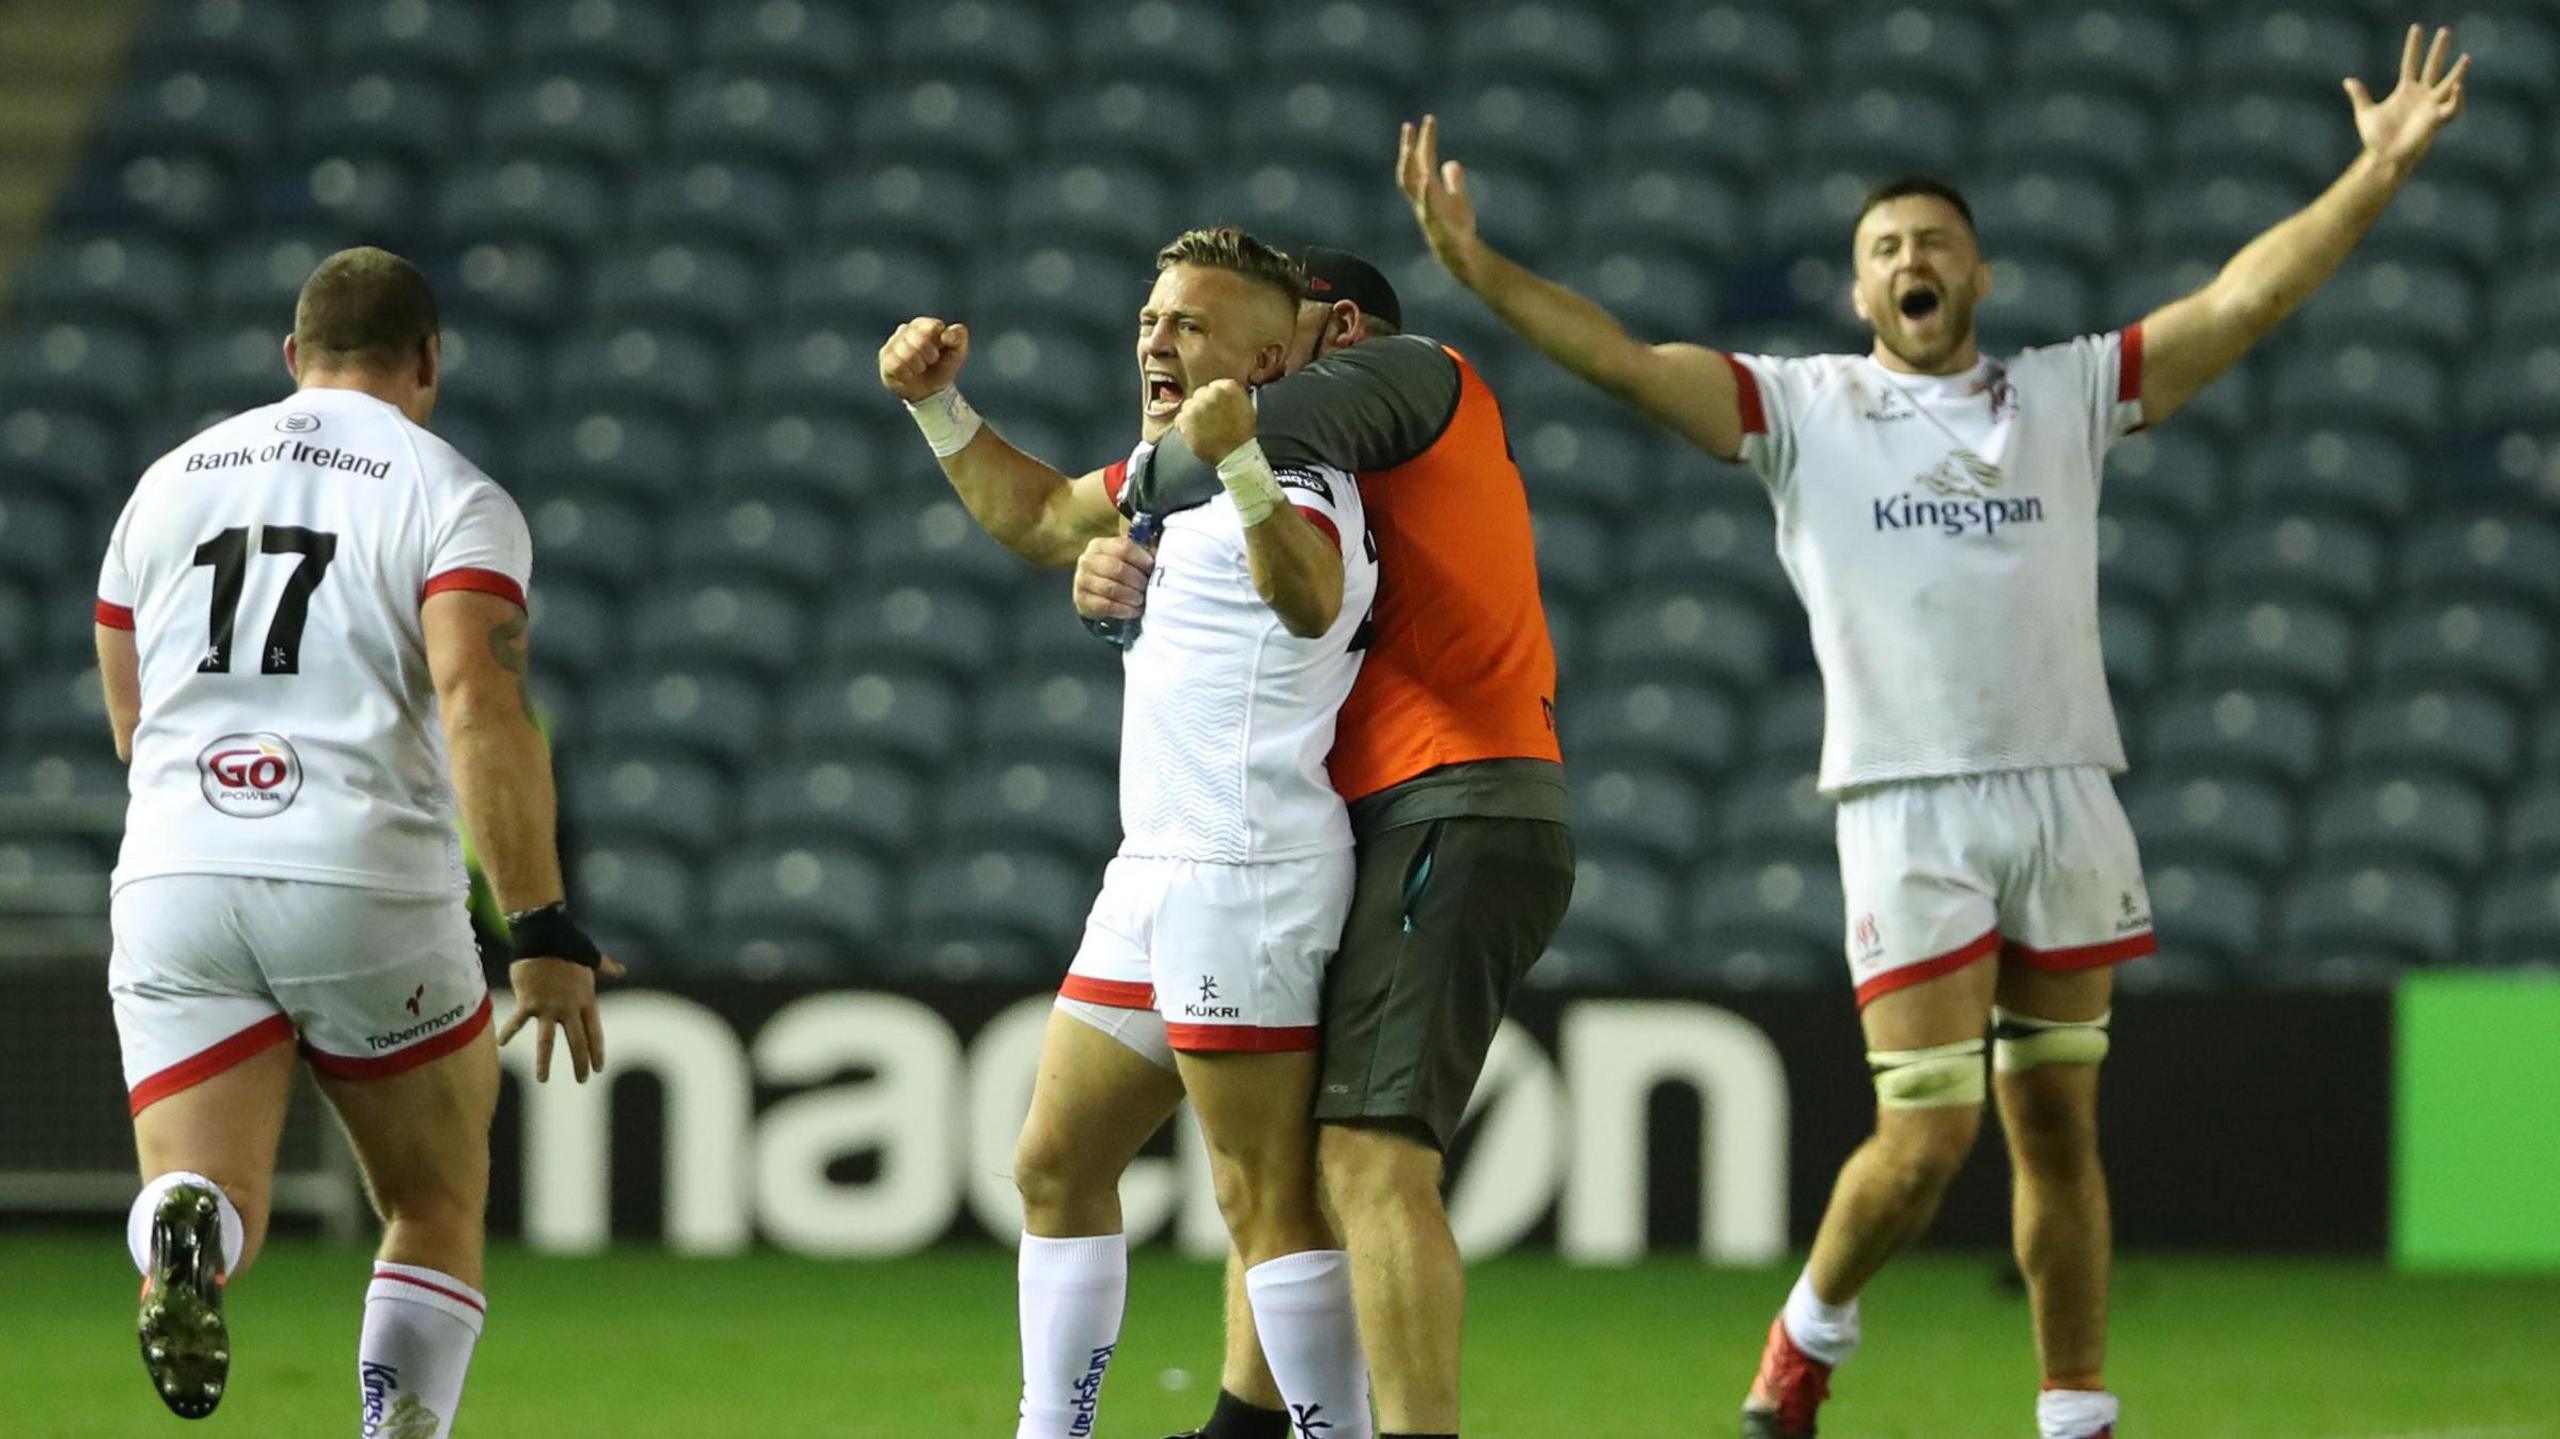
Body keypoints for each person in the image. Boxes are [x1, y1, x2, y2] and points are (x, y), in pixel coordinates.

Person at [1395, 23, 2469, 1439]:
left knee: (2059, 1134)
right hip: (1907, 806)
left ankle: (2077, 1410)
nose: (1916, 257)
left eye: (1939, 240)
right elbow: (1624, 358)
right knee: (1926, 1138)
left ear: (1977, 273)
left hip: (2068, 792)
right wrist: (1480, 272)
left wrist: (2373, 176)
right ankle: (1806, 1334)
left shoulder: (2068, 394)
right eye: (1890, 241)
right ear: (1861, 284)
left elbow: (2242, 299)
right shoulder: (1806, 409)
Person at [93, 246, 616, 1436]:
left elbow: (132, 719)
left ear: (293, 358)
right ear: (428, 361)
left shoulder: (165, 484)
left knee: (214, 1186)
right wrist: (537, 925)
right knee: (432, 1196)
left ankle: (184, 1225)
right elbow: (480, 706)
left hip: (178, 867)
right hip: (361, 873)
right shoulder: (450, 493)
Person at [876, 226, 1379, 1439]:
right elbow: (1045, 512)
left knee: (1261, 1198)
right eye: (1153, 318)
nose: (1158, 338)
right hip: (1154, 868)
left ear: (1266, 360)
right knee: (1054, 1159)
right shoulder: (1169, 470)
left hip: (1245, 871)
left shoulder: (1299, 472)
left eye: (1190, 324)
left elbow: (1308, 596)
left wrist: (1241, 466)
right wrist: (939, 405)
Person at [1076, 248, 1575, 1439]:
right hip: (1377, 810)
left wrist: (1134, 489)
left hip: (1449, 796)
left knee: (1368, 1158)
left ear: (1333, 329)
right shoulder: (1308, 475)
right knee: (1291, 1157)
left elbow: (1198, 458)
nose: (1247, 364)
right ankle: (1246, 1424)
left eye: (1272, 335)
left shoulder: (1409, 375)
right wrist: (1111, 575)